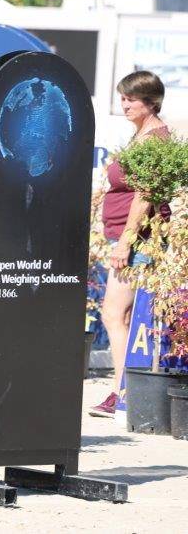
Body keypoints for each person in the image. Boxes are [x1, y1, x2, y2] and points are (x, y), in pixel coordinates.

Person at [91, 70, 173, 417]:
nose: (124, 105)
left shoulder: (155, 139)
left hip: (137, 239)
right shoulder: (141, 135)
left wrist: (125, 242)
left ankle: (122, 393)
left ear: (150, 102)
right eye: (122, 98)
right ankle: (124, 392)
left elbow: (145, 195)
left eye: (131, 99)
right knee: (121, 314)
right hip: (124, 235)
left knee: (114, 313)